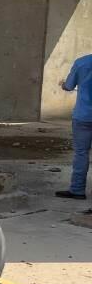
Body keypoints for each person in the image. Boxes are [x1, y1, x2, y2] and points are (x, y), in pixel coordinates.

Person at [56, 53, 92, 200]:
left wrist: (63, 84)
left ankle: (77, 190)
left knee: (81, 153)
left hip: (83, 116)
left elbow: (69, 86)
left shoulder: (82, 62)